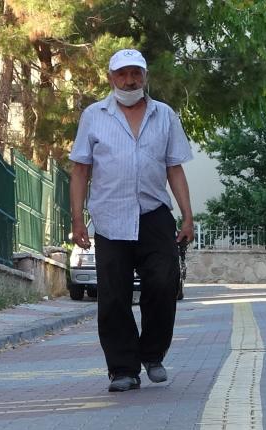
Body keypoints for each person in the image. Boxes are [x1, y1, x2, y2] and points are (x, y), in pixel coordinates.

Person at [69, 48, 195, 392]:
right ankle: (123, 369)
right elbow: (80, 170)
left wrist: (187, 216)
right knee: (113, 295)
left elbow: (175, 168)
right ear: (111, 78)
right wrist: (78, 220)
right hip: (110, 217)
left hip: (154, 215)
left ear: (145, 76)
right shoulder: (94, 116)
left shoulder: (164, 115)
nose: (130, 80)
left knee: (163, 282)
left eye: (135, 73)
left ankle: (152, 354)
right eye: (122, 74)